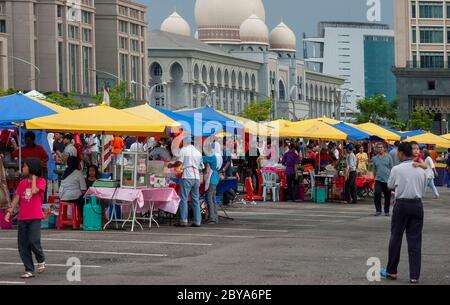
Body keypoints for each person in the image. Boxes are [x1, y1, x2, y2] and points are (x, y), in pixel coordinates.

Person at [382, 142, 427, 284]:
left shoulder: (397, 168)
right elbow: (423, 190)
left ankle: (392, 271)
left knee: (396, 238)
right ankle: (414, 276)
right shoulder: (421, 170)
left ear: (401, 153)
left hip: (401, 205)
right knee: (415, 241)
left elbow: (390, 185)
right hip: (417, 205)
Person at [4, 158, 46, 278]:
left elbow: (34, 191)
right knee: (23, 245)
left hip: (35, 217)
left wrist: (33, 178)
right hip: (23, 217)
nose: (22, 168)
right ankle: (29, 269)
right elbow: (17, 198)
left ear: (31, 168)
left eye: (25, 166)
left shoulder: (41, 181)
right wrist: (10, 211)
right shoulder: (22, 183)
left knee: (33, 241)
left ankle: (41, 259)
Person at [168, 136, 204, 227]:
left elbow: (179, 162)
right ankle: (197, 221)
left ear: (184, 142)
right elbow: (201, 167)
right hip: (196, 177)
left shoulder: (184, 150)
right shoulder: (198, 152)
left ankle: (183, 220)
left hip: (187, 176)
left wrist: (171, 165)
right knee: (195, 199)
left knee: (183, 198)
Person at [202, 142, 222, 224]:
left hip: (212, 178)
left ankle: (212, 218)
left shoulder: (213, 156)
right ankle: (215, 217)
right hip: (216, 176)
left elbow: (202, 159)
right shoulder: (219, 156)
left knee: (209, 198)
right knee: (213, 198)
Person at [372, 142, 393, 216]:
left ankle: (386, 211)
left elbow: (392, 168)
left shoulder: (388, 157)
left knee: (387, 196)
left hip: (387, 179)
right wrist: (374, 178)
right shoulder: (374, 158)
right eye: (378, 147)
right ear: (376, 149)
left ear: (384, 148)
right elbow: (374, 169)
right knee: (377, 194)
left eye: (381, 147)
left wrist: (392, 178)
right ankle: (378, 210)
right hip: (378, 179)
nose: (380, 149)